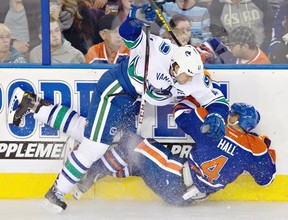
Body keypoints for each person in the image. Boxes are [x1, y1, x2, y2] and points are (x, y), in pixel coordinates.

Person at [8, 4, 229, 213]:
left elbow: (216, 100)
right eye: (186, 75)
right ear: (175, 65)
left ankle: (34, 106)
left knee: (106, 137)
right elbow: (128, 34)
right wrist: (135, 19)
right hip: (116, 89)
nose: (189, 80)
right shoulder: (158, 50)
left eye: (192, 76)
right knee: (95, 145)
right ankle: (56, 192)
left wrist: (218, 115)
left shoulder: (194, 75)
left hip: (133, 100)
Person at [72, 101, 276, 206]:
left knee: (130, 143)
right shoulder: (254, 149)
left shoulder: (215, 126)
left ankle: (88, 176)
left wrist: (194, 94)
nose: (227, 114)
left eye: (231, 113)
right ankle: (101, 167)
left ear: (236, 118)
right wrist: (265, 149)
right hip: (188, 199)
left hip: (174, 178)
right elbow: (266, 180)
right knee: (138, 163)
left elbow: (179, 112)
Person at [209, 0, 273, 52]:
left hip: (262, 53)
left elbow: (270, 30)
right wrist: (233, 54)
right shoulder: (217, 5)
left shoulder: (261, 2)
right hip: (232, 57)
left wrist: (262, 51)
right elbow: (219, 35)